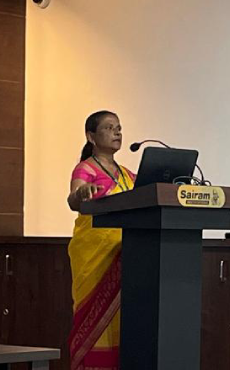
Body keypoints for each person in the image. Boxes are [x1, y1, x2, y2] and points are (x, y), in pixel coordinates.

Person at [67, 110, 136, 370]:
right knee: (94, 318)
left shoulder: (129, 176)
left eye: (119, 127)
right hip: (94, 257)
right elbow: (73, 199)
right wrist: (81, 194)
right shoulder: (86, 168)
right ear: (91, 136)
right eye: (109, 127)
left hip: (126, 255)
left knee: (121, 319)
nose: (117, 132)